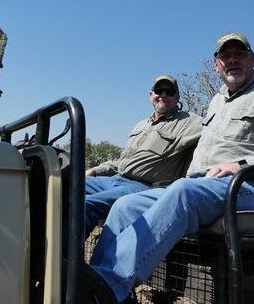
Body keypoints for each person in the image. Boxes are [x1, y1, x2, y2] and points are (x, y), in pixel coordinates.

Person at [90, 32, 254, 304]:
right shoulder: (217, 101)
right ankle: (91, 286)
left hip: (252, 187)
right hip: (203, 186)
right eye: (225, 56)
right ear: (216, 64)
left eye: (239, 55)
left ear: (252, 59)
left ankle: (101, 294)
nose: (232, 61)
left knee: (184, 191)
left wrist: (240, 165)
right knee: (125, 206)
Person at [83, 75, 202, 234]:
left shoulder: (189, 122)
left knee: (85, 204)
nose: (163, 95)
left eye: (170, 91)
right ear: (151, 94)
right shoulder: (141, 125)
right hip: (114, 179)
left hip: (142, 187)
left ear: (177, 97)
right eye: (159, 90)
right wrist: (95, 170)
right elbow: (124, 161)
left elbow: (217, 129)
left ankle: (64, 257)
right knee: (63, 188)